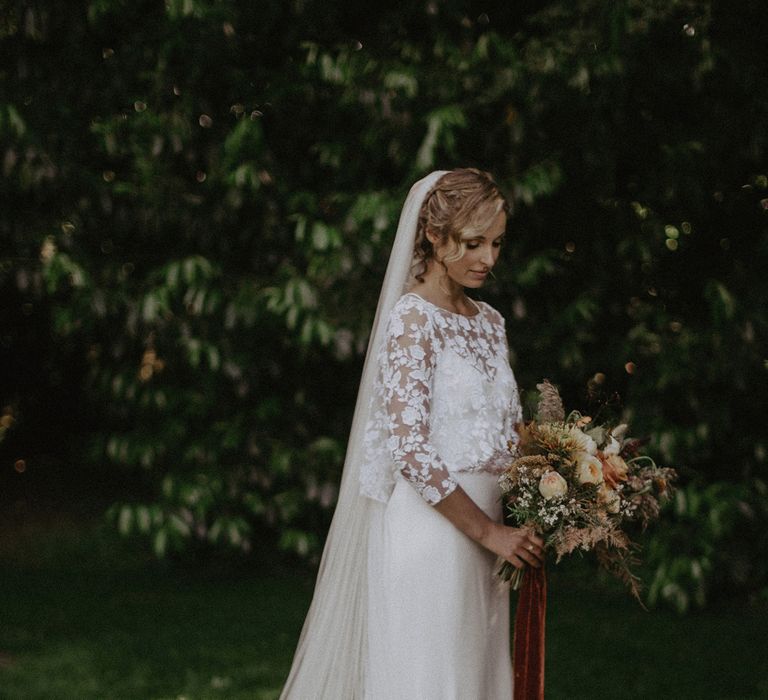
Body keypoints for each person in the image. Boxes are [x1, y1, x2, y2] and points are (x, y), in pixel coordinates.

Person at [280, 169, 544, 699]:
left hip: (489, 540)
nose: (488, 259)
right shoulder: (412, 319)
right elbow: (412, 448)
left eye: (496, 243)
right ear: (434, 236)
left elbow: (502, 429)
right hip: (436, 535)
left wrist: (559, 483)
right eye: (473, 243)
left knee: (475, 680)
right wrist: (489, 533)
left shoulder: (490, 320)